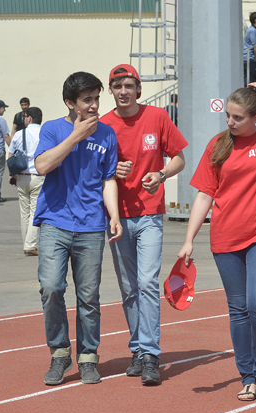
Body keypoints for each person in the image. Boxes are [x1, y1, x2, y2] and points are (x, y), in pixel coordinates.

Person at [177, 83, 256, 402]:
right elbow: (205, 194)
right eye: (228, 115)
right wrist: (189, 239)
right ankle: (247, 375)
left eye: (238, 117)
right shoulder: (218, 145)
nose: (230, 122)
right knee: (239, 309)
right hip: (226, 236)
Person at [100, 64, 188, 386]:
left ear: (139, 88)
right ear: (111, 90)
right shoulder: (104, 125)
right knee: (129, 288)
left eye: (129, 85)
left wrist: (162, 174)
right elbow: (93, 172)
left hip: (150, 214)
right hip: (117, 217)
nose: (123, 91)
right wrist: (111, 172)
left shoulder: (157, 118)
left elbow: (179, 157)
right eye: (117, 85)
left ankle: (150, 354)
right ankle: (137, 348)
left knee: (148, 282)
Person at [33, 71, 122, 386]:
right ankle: (59, 353)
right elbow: (42, 166)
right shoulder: (53, 129)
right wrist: (75, 136)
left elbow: (108, 178)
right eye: (88, 100)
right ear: (70, 103)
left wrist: (113, 214)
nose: (95, 105)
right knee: (52, 287)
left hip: (91, 226)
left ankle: (88, 358)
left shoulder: (108, 134)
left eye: (97, 98)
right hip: (55, 222)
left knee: (88, 296)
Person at [8, 106, 44, 256]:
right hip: (38, 176)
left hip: (21, 176)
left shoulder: (19, 134)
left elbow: (10, 156)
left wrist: (12, 174)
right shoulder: (44, 133)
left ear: (29, 118)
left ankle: (26, 243)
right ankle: (30, 245)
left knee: (24, 213)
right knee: (35, 211)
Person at [244, 12, 256, 85]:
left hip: (248, 58)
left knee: (250, 79)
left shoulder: (252, 30)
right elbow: (255, 48)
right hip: (250, 58)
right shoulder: (253, 31)